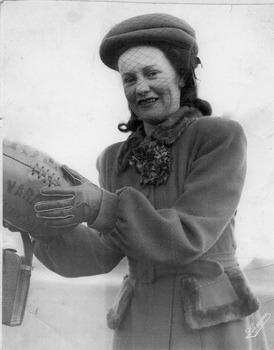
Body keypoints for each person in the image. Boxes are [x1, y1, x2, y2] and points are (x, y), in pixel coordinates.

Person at [30, 13, 268, 350]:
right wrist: (40, 223)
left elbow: (188, 235)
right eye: (129, 79)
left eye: (151, 73)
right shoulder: (113, 159)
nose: (140, 87)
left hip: (210, 325)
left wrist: (101, 204)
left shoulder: (219, 138)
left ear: (182, 77)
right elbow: (100, 254)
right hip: (139, 324)